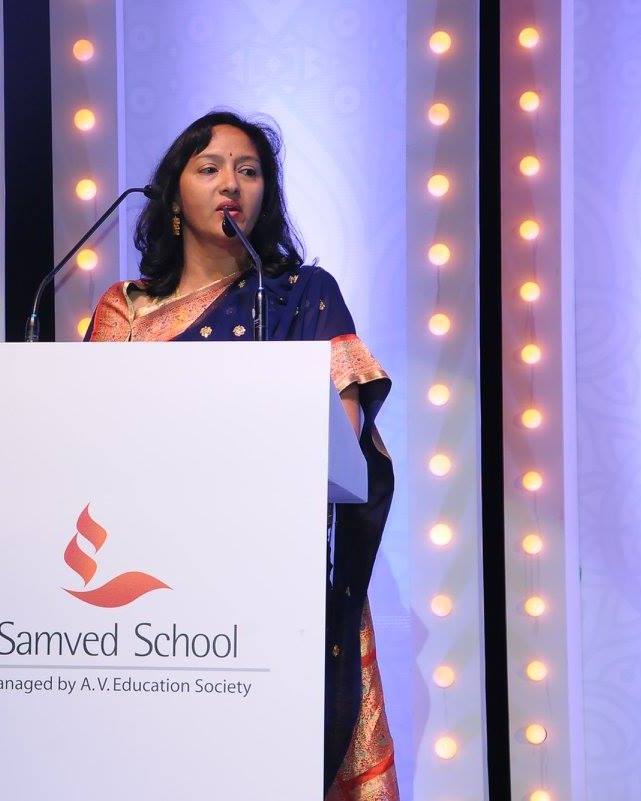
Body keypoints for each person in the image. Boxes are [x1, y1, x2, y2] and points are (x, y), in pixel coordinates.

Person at [84, 111, 398, 800]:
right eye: (210, 168)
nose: (232, 183)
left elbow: (340, 441)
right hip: (147, 592)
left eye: (249, 171)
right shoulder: (125, 311)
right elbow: (90, 443)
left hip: (269, 582)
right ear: (173, 197)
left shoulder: (303, 295)